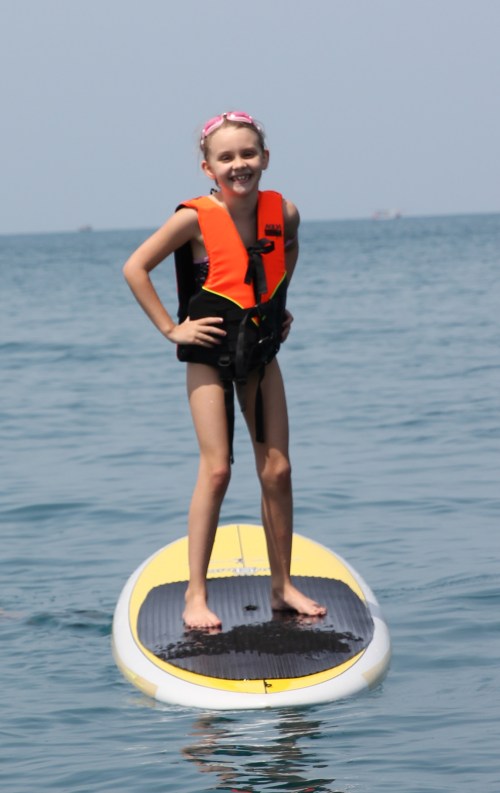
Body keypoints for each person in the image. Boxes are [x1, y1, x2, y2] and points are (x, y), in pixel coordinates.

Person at [123, 111, 326, 629]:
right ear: (207, 167)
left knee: (277, 469)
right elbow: (135, 267)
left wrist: (278, 302)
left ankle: (282, 587)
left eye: (248, 154)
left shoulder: (286, 212)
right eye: (227, 157)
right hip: (211, 354)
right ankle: (196, 595)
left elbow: (290, 247)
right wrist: (173, 329)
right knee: (217, 471)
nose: (240, 165)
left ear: (265, 158)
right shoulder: (193, 218)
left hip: (259, 351)